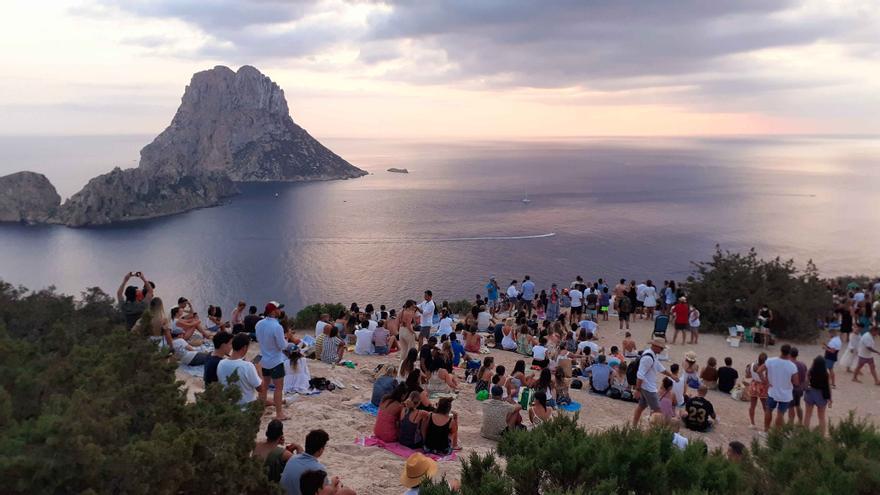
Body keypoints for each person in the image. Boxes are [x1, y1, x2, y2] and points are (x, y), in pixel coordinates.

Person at [281, 430, 355, 495]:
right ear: (320, 450)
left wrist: (298, 447)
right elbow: (326, 492)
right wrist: (333, 485)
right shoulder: (318, 469)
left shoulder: (293, 458)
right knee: (347, 491)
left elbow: (302, 456)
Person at [632, 339, 678, 426]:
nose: (662, 350)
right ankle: (658, 431)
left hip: (646, 386)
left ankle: (634, 426)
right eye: (661, 348)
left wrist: (671, 375)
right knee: (658, 411)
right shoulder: (648, 358)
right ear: (655, 346)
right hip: (648, 388)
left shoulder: (652, 355)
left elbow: (659, 367)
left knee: (641, 407)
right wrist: (637, 389)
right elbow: (640, 374)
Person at [257, 301, 289, 421]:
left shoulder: (259, 323)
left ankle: (260, 410)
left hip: (264, 359)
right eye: (278, 309)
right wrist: (286, 341)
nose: (280, 310)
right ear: (273, 311)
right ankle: (279, 413)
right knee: (278, 388)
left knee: (264, 385)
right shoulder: (277, 326)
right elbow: (282, 346)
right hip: (275, 360)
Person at [217, 333, 263, 406]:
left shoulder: (221, 363)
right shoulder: (248, 366)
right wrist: (259, 370)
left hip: (228, 407)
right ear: (244, 347)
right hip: (247, 407)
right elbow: (261, 389)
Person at [763, 344, 799, 433]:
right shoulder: (792, 366)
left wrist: (766, 382)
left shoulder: (770, 361)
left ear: (781, 350)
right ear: (789, 352)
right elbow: (796, 382)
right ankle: (777, 433)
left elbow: (759, 371)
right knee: (780, 414)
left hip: (772, 391)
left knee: (769, 410)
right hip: (785, 394)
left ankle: (766, 430)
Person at [804, 355, 833, 436]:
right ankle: (822, 435)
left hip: (810, 393)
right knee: (821, 417)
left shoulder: (811, 371)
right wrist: (830, 398)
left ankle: (805, 434)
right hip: (821, 395)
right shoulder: (826, 373)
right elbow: (828, 386)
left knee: (807, 415)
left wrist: (806, 389)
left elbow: (806, 381)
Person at [747, 352, 769, 430]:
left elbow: (747, 375)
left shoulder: (751, 365)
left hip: (753, 384)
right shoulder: (766, 368)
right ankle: (766, 425)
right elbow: (767, 378)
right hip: (762, 386)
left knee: (752, 405)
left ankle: (752, 423)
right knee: (765, 407)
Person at [787, 347, 808, 425]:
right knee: (798, 405)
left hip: (791, 388)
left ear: (789, 354)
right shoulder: (803, 364)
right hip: (800, 389)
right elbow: (806, 377)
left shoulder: (789, 365)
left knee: (791, 407)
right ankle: (800, 422)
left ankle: (790, 423)